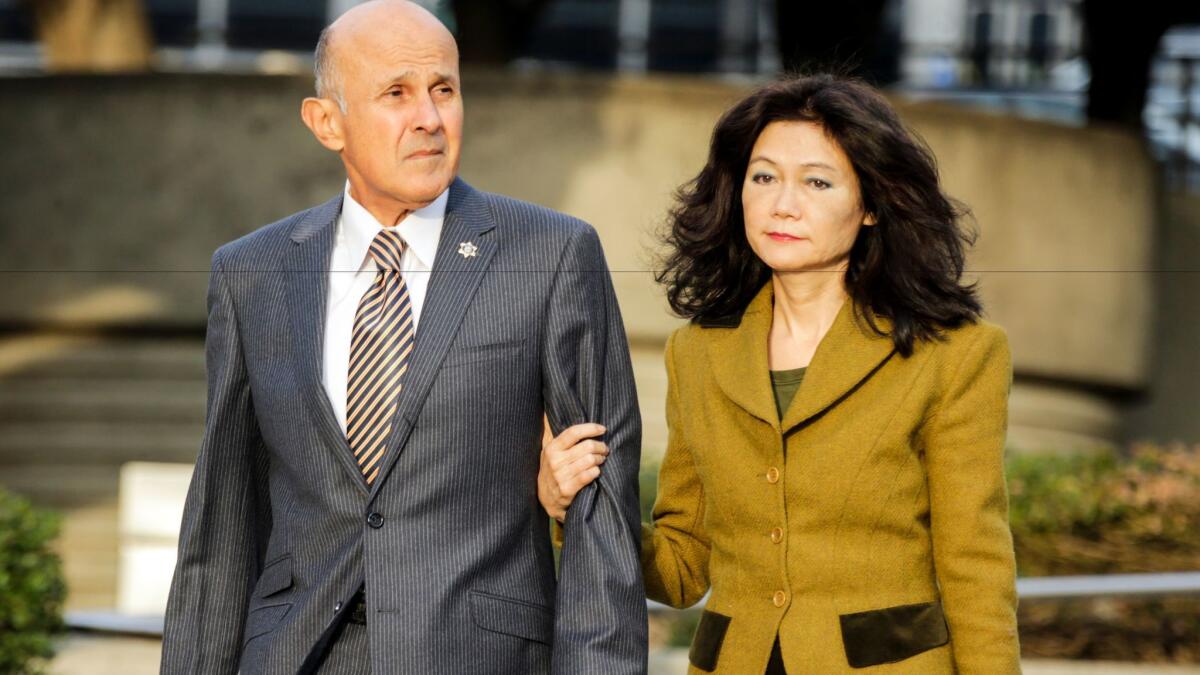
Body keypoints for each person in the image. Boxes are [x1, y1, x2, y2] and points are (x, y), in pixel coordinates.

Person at [160, 2, 646, 673]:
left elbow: (604, 522)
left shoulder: (553, 255)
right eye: (396, 93)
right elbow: (222, 520)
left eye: (444, 89)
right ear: (326, 122)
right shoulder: (253, 273)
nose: (430, 117)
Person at [540, 74, 1021, 674]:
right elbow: (685, 567)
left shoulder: (954, 354)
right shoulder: (698, 353)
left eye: (817, 182)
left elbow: (974, 565)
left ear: (872, 204)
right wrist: (572, 508)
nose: (782, 204)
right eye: (763, 177)